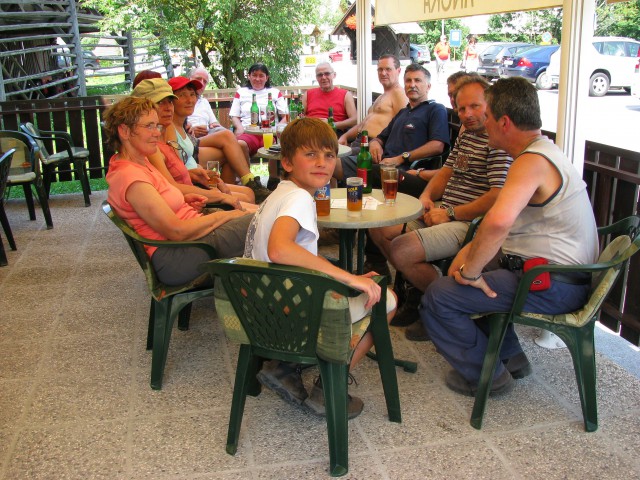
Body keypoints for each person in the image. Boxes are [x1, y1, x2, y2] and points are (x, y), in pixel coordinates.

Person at [422, 77, 598, 396]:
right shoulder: (543, 151)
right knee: (466, 273)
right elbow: (500, 222)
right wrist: (469, 257)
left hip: (553, 283)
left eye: (487, 116)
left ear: (504, 122)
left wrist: (471, 271)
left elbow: (499, 221)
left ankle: (488, 376)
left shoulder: (531, 162)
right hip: (553, 274)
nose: (483, 123)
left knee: (439, 297)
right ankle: (512, 358)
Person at [244, 117, 398, 419]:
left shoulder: (280, 193)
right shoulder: (300, 199)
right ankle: (329, 389)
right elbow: (280, 248)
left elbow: (293, 258)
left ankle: (286, 367)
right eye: (310, 154)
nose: (323, 163)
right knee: (387, 299)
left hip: (261, 310)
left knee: (351, 285)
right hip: (290, 319)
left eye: (329, 155)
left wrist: (345, 278)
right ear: (286, 162)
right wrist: (350, 277)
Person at [368, 75, 513, 339]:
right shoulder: (467, 133)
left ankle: (439, 305)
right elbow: (447, 171)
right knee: (378, 228)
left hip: (469, 224)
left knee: (402, 250)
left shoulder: (498, 142)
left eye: (474, 106)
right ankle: (418, 291)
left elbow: (496, 196)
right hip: (442, 210)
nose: (466, 114)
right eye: (461, 108)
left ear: (489, 105)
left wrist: (450, 213)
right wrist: (426, 197)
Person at [103, 96, 253, 285]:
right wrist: (226, 216)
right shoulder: (131, 178)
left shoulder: (138, 162)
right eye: (149, 126)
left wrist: (184, 201)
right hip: (181, 255)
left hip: (192, 240)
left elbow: (153, 204)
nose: (157, 133)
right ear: (124, 131)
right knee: (269, 223)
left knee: (269, 217)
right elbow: (177, 231)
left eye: (157, 126)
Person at [131, 78, 256, 209]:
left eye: (170, 101)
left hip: (192, 189)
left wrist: (196, 174)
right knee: (255, 212)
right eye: (160, 103)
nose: (168, 108)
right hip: (189, 203)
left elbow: (176, 171)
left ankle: (249, 183)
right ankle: (247, 185)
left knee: (250, 197)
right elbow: (171, 188)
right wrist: (221, 196)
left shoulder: (162, 136)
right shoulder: (152, 146)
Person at [333, 64, 449, 197]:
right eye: (408, 81)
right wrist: (375, 143)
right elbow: (380, 137)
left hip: (407, 170)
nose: (412, 85)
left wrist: (401, 158)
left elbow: (438, 146)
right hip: (382, 163)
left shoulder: (435, 109)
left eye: (417, 80)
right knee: (330, 164)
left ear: (428, 86)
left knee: (368, 172)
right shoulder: (403, 112)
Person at [167, 76, 271, 203]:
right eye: (182, 95)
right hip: (192, 170)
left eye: (192, 94)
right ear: (170, 100)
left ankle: (243, 187)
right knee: (229, 142)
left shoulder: (184, 121)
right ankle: (240, 190)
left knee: (229, 140)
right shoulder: (168, 126)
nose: (189, 100)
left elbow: (214, 123)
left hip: (194, 143)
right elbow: (175, 167)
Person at [337, 54, 408, 154]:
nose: (383, 73)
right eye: (380, 69)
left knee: (331, 160)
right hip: (359, 142)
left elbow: (402, 127)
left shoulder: (399, 93)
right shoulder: (382, 96)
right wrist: (345, 136)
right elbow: (363, 125)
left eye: (388, 69)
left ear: (398, 71)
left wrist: (381, 145)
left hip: (372, 146)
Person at [230, 63, 288, 158]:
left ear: (267, 77)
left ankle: (273, 173)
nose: (257, 79)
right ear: (249, 76)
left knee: (275, 149)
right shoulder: (241, 92)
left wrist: (279, 129)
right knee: (240, 144)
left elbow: (286, 116)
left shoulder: (275, 92)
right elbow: (234, 116)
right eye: (254, 75)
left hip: (270, 133)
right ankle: (246, 172)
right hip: (248, 133)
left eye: (261, 76)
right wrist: (239, 127)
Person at [301, 62, 357, 135]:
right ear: (316, 78)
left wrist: (332, 124)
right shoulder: (308, 94)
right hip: (310, 132)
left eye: (327, 73)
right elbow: (299, 116)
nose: (323, 77)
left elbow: (354, 120)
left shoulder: (345, 95)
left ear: (334, 75)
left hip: (333, 133)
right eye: (320, 75)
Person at [186, 67, 226, 137]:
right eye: (198, 79)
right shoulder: (180, 100)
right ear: (189, 79)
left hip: (207, 135)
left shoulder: (204, 102)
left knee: (227, 133)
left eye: (205, 81)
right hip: (188, 136)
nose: (201, 83)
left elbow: (214, 123)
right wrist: (188, 130)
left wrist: (213, 125)